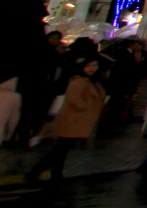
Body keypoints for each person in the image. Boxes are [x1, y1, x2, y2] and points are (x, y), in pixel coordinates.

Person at [25, 54, 104, 184]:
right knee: (61, 149)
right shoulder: (79, 81)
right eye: (88, 65)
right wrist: (87, 106)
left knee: (62, 149)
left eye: (95, 65)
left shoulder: (90, 81)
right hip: (73, 120)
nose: (92, 68)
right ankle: (37, 172)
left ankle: (53, 173)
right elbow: (74, 100)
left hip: (77, 120)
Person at [102, 39, 147, 127]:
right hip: (119, 84)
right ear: (131, 45)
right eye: (137, 44)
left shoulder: (142, 55)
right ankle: (107, 125)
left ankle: (114, 123)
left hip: (128, 84)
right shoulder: (123, 54)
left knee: (120, 104)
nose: (139, 47)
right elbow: (124, 70)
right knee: (114, 105)